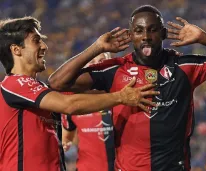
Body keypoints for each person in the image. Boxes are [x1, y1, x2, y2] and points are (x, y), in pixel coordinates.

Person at [48, 5, 206, 171]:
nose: (146, 37)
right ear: (131, 35)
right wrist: (97, 48)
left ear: (164, 34)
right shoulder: (115, 69)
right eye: (139, 31)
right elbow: (57, 82)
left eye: (152, 30)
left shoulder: (184, 66)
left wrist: (203, 37)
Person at [0, 16, 159, 171]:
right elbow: (69, 105)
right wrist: (121, 97)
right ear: (16, 50)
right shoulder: (15, 85)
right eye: (36, 40)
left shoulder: (38, 89)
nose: (44, 46)